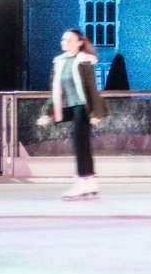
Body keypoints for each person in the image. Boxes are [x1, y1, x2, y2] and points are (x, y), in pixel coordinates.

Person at [37, 29, 109, 200]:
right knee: (81, 143)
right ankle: (90, 180)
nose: (65, 42)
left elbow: (92, 88)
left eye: (70, 39)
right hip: (70, 107)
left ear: (79, 42)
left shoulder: (84, 62)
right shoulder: (59, 62)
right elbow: (54, 91)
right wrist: (46, 112)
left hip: (83, 107)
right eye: (64, 39)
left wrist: (95, 112)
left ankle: (83, 181)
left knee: (80, 143)